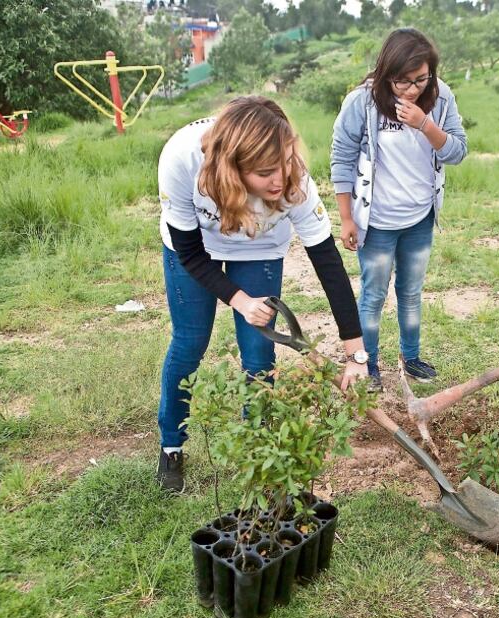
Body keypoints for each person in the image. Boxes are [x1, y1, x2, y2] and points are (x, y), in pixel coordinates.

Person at [155, 96, 368, 492]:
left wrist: (355, 354)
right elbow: (190, 254)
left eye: (286, 162)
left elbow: (328, 263)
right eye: (267, 172)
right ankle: (172, 445)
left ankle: (258, 448)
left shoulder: (294, 181)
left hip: (259, 248)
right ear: (232, 169)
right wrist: (239, 299)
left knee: (258, 353)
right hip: (195, 247)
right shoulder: (181, 160)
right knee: (189, 343)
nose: (281, 180)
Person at [331, 28, 468, 392]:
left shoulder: (441, 99)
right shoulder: (361, 103)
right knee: (373, 295)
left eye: (420, 80)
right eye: (402, 81)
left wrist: (425, 124)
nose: (411, 90)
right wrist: (346, 217)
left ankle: (411, 357)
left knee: (410, 292)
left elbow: (457, 151)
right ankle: (369, 363)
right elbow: (341, 159)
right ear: (386, 71)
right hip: (375, 223)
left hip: (419, 218)